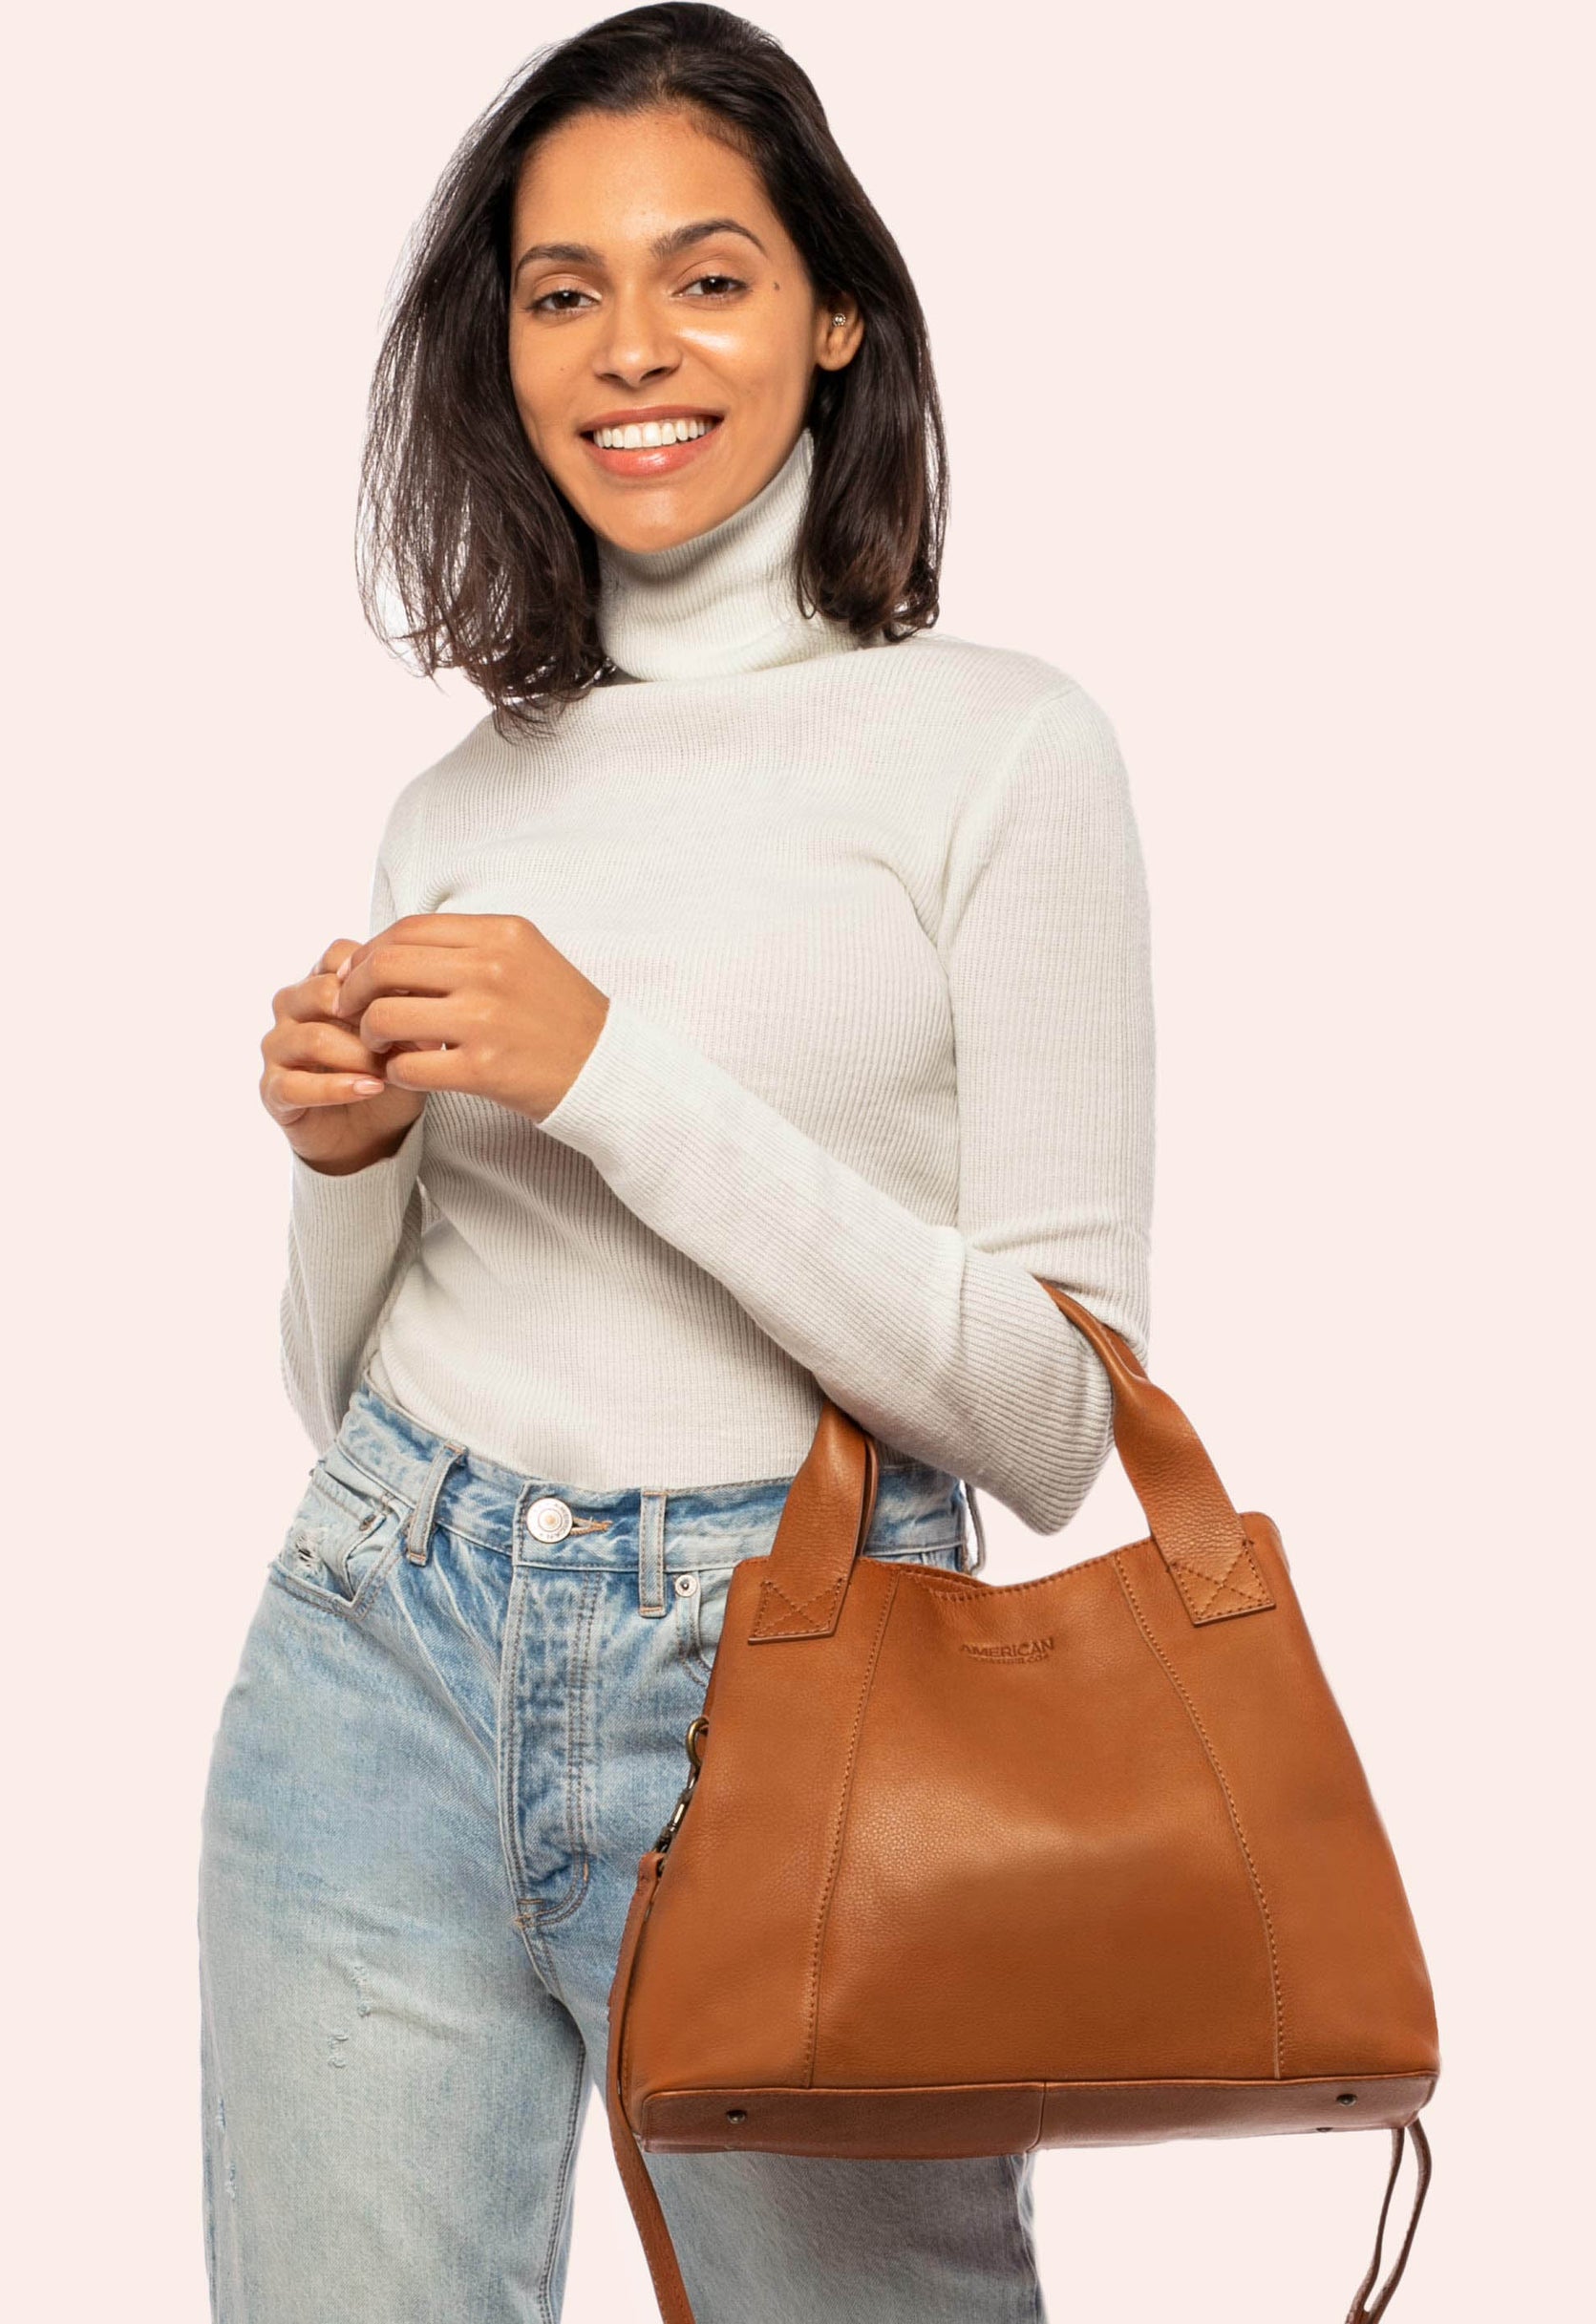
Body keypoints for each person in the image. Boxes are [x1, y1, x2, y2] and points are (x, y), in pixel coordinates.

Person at [198, 7, 1154, 2317]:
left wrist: (609, 1068)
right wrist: (348, 1152)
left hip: (806, 1702)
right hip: (375, 1647)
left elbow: (1054, 1417)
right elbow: (346, 1386)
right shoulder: (463, 794)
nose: (631, 347)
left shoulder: (997, 747)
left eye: (706, 275)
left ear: (835, 315)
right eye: (561, 290)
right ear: (501, 350)